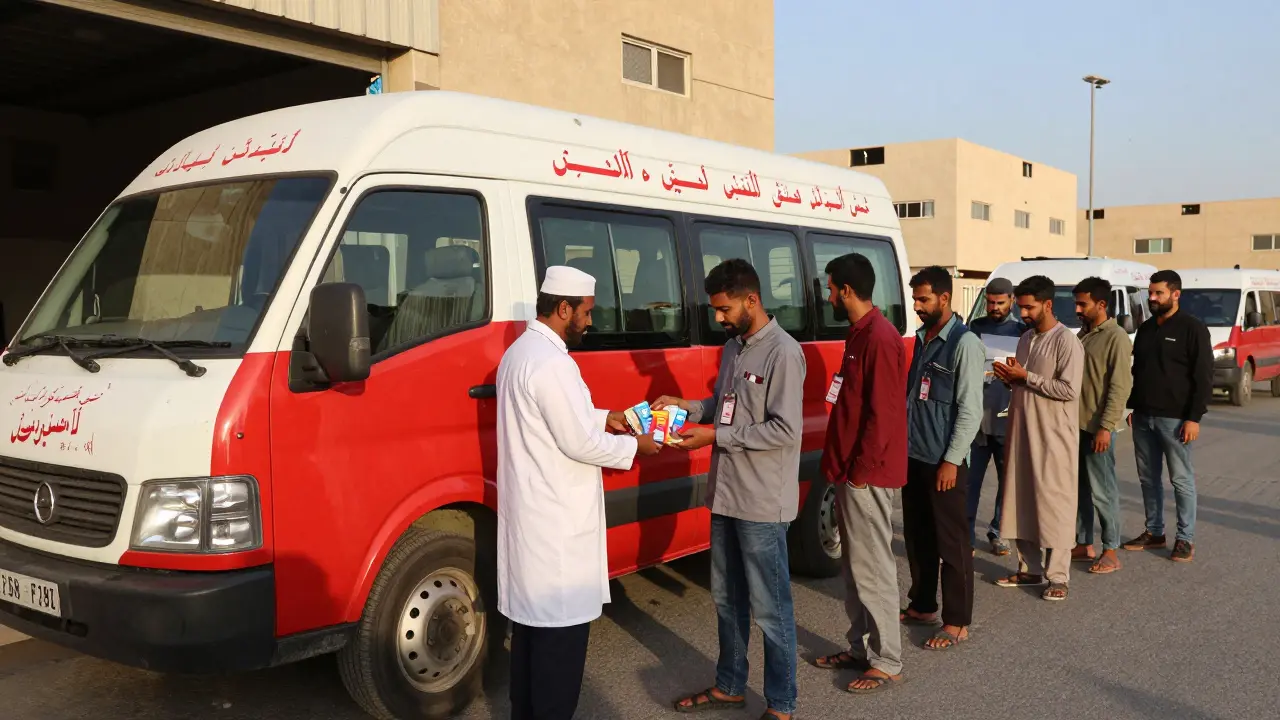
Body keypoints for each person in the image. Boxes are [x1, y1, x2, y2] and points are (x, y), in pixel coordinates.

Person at [496, 265, 661, 720]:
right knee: (558, 661)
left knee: (529, 648)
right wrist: (636, 445)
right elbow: (578, 442)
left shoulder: (521, 353)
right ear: (563, 308)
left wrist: (607, 416)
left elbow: (571, 418)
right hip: (557, 539)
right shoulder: (553, 363)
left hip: (535, 530)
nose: (590, 322)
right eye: (586, 313)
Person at [655, 259, 806, 720]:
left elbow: (784, 430)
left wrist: (715, 438)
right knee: (726, 600)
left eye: (724, 308)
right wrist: (688, 407)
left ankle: (782, 705)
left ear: (751, 300)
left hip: (761, 503)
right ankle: (729, 685)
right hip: (725, 495)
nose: (718, 317)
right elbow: (724, 406)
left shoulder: (784, 352)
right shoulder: (733, 348)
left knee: (771, 609)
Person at [810, 253, 907, 694]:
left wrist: (860, 474)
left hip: (867, 473)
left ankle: (887, 660)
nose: (828, 295)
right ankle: (860, 648)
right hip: (850, 470)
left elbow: (883, 416)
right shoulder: (859, 334)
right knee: (854, 569)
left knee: (873, 570)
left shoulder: (881, 338)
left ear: (846, 290)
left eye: (831, 289)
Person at [899, 266, 983, 650]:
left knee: (951, 542)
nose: (917, 306)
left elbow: (970, 411)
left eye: (924, 299)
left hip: (944, 462)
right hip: (914, 456)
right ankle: (923, 604)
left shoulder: (964, 343)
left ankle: (957, 620)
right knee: (918, 538)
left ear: (944, 299)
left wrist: (951, 460)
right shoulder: (921, 339)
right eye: (916, 299)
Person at [993, 275, 1084, 602]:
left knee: (1056, 502)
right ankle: (1030, 569)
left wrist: (1025, 377)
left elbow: (1069, 389)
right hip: (1022, 430)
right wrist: (1011, 379)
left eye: (1029, 307)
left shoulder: (1066, 341)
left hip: (1054, 436)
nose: (1024, 313)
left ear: (1047, 304)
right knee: (1022, 498)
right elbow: (1026, 382)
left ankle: (1058, 576)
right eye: (1021, 307)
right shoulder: (1026, 338)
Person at [1122, 269, 1213, 563]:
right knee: (1148, 478)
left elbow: (1203, 376)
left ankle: (1185, 539)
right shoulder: (1146, 329)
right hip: (1144, 417)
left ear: (1175, 294)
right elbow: (1139, 372)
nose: (1152, 298)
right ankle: (1154, 532)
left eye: (1158, 293)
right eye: (1150, 293)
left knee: (1181, 480)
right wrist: (1134, 408)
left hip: (1176, 420)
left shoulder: (1193, 328)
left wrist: (1193, 418)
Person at [1071, 277, 1133, 574]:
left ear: (1102, 304)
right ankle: (1084, 543)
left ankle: (1111, 549)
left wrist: (1106, 427)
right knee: (1080, 489)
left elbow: (1120, 386)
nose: (1077, 308)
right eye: (1077, 303)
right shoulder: (1083, 334)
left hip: (1098, 428)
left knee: (1102, 490)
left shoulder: (1116, 337)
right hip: (1076, 426)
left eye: (1083, 303)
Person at [966, 278, 1026, 557]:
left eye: (1000, 302)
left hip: (1008, 418)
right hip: (977, 420)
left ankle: (998, 532)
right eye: (990, 302)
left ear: (1011, 300)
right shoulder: (975, 328)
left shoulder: (1022, 331)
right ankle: (964, 534)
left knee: (1007, 482)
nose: (994, 307)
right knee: (969, 483)